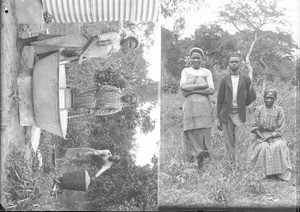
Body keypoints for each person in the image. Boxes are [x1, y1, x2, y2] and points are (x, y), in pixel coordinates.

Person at [217, 52, 256, 164]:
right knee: (228, 141)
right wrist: (218, 119)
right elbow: (220, 100)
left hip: (240, 113)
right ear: (228, 64)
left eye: (236, 62)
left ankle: (240, 165)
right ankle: (230, 165)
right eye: (232, 62)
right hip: (226, 114)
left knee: (241, 140)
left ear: (240, 64)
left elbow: (252, 96)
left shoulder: (246, 79)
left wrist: (242, 104)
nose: (234, 64)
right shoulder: (225, 80)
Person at [180, 47, 214, 169]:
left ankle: (202, 161)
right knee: (190, 130)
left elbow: (210, 90)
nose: (195, 60)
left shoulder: (206, 72)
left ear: (202, 59)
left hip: (204, 106)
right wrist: (202, 85)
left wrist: (191, 89)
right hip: (189, 106)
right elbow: (183, 88)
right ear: (190, 59)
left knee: (203, 130)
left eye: (198, 58)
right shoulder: (185, 71)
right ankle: (191, 160)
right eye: (193, 57)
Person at [249, 87, 292, 181]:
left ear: (275, 99)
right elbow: (255, 126)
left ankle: (278, 173)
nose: (269, 100)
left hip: (275, 135)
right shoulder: (259, 109)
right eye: (267, 97)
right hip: (260, 135)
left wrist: (271, 136)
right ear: (264, 97)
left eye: (271, 98)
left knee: (278, 145)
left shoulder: (279, 110)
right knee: (263, 147)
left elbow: (280, 128)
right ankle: (262, 173)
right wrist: (263, 137)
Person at [17, 31, 139, 64]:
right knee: (53, 41)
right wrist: (83, 53)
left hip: (80, 53)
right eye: (130, 42)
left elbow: (97, 54)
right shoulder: (115, 36)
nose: (128, 45)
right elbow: (96, 38)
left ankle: (26, 46)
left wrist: (82, 57)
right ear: (128, 37)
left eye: (130, 47)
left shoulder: (116, 49)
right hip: (81, 43)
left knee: (54, 51)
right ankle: (22, 42)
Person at [69, 83, 138, 116]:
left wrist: (86, 110)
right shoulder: (117, 90)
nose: (128, 97)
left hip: (89, 105)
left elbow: (102, 112)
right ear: (129, 93)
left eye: (130, 99)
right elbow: (100, 88)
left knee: (68, 106)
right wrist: (83, 90)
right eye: (130, 96)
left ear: (129, 103)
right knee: (68, 94)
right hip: (89, 94)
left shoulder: (118, 108)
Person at [56, 147, 121, 179]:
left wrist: (95, 176)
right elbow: (96, 152)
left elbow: (102, 170)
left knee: (76, 159)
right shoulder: (107, 152)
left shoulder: (108, 165)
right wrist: (84, 153)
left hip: (90, 159)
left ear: (115, 162)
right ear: (115, 155)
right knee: (78, 150)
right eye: (116, 157)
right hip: (90, 152)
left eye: (116, 159)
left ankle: (59, 160)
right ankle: (64, 150)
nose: (114, 158)